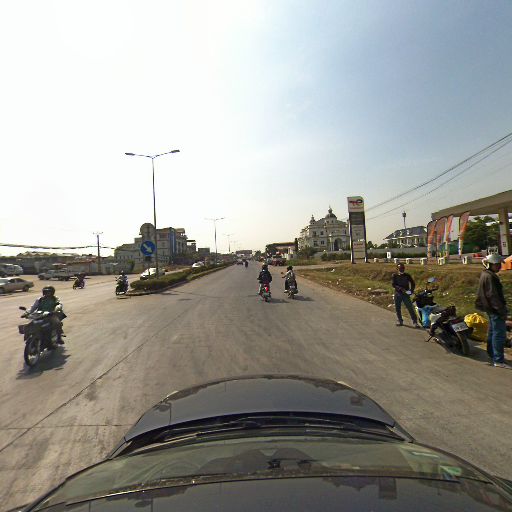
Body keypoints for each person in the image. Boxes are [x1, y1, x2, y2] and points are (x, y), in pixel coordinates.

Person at [476, 254, 510, 369]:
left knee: (492, 333)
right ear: (490, 265)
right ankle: (498, 360)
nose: (499, 266)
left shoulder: (485, 274)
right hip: (495, 309)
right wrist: (501, 311)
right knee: (499, 335)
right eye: (497, 264)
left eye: (499, 264)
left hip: (489, 308)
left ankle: (492, 354)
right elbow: (493, 296)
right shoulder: (490, 277)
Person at [392, 263, 420, 328]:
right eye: (400, 268)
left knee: (410, 308)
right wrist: (400, 288)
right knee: (397, 308)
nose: (402, 269)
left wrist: (411, 290)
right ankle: (400, 321)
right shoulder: (394, 275)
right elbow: (393, 284)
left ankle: (415, 322)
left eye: (403, 268)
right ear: (397, 269)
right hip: (398, 293)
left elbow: (413, 283)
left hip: (406, 294)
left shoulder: (407, 275)